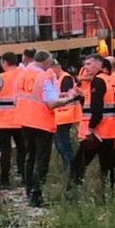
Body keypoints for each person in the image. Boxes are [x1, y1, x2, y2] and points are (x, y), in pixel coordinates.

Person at [16, 50, 75, 207]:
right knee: (42, 158)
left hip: (25, 120)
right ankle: (36, 194)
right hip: (41, 122)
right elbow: (51, 103)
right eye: (49, 62)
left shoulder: (22, 75)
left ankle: (29, 189)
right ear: (45, 62)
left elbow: (18, 98)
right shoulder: (44, 77)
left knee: (30, 155)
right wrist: (69, 99)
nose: (50, 65)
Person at [71, 54, 115, 192]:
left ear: (99, 65)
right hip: (111, 130)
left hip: (98, 132)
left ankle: (72, 193)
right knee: (108, 166)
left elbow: (97, 108)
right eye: (85, 65)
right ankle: (108, 193)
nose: (85, 67)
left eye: (89, 64)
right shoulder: (111, 80)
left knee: (78, 164)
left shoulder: (98, 81)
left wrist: (91, 128)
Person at [0, 52, 25, 189]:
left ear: (4, 62)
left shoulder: (1, 77)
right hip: (21, 120)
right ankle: (24, 176)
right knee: (22, 149)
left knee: (5, 151)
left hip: (3, 121)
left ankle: (5, 181)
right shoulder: (23, 75)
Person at [51, 59, 80, 172]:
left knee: (63, 145)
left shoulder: (65, 78)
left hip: (65, 115)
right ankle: (69, 168)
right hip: (61, 116)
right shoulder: (59, 78)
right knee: (61, 145)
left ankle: (71, 168)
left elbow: (64, 96)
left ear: (56, 67)